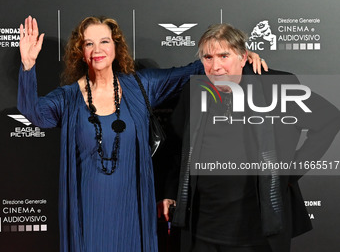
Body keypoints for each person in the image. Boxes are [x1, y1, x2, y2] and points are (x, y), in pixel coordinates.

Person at [18, 16, 265, 252]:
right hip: (87, 208)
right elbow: (34, 113)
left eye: (104, 41)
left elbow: (196, 69)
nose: (97, 49)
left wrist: (240, 57)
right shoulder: (68, 97)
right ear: (79, 52)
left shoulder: (140, 85)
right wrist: (28, 66)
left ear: (116, 46)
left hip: (132, 205)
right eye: (88, 43)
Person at [160, 23, 340, 252]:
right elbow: (176, 148)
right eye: (208, 57)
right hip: (201, 229)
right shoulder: (193, 92)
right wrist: (168, 193)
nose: (216, 66)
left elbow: (328, 119)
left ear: (243, 57)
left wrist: (290, 171)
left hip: (257, 232)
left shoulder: (275, 86)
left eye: (224, 56)